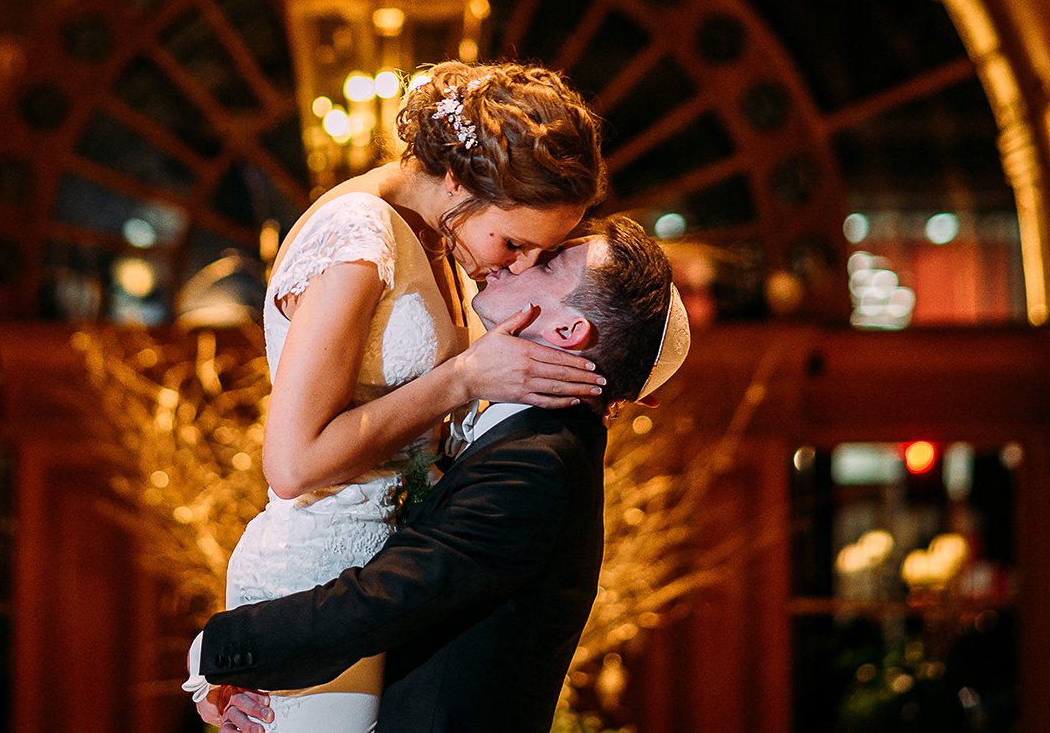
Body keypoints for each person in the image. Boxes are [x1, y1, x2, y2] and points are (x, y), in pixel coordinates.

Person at [218, 61, 611, 732]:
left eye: (537, 254)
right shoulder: (357, 237)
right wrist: (463, 379)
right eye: (514, 242)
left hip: (378, 576)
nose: (516, 267)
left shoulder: (433, 232)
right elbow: (291, 462)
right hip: (317, 573)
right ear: (459, 178)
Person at [190, 216, 688, 733]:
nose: (518, 259)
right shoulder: (528, 439)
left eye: (549, 259)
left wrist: (218, 650)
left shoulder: (539, 462)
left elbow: (383, 600)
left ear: (568, 330)